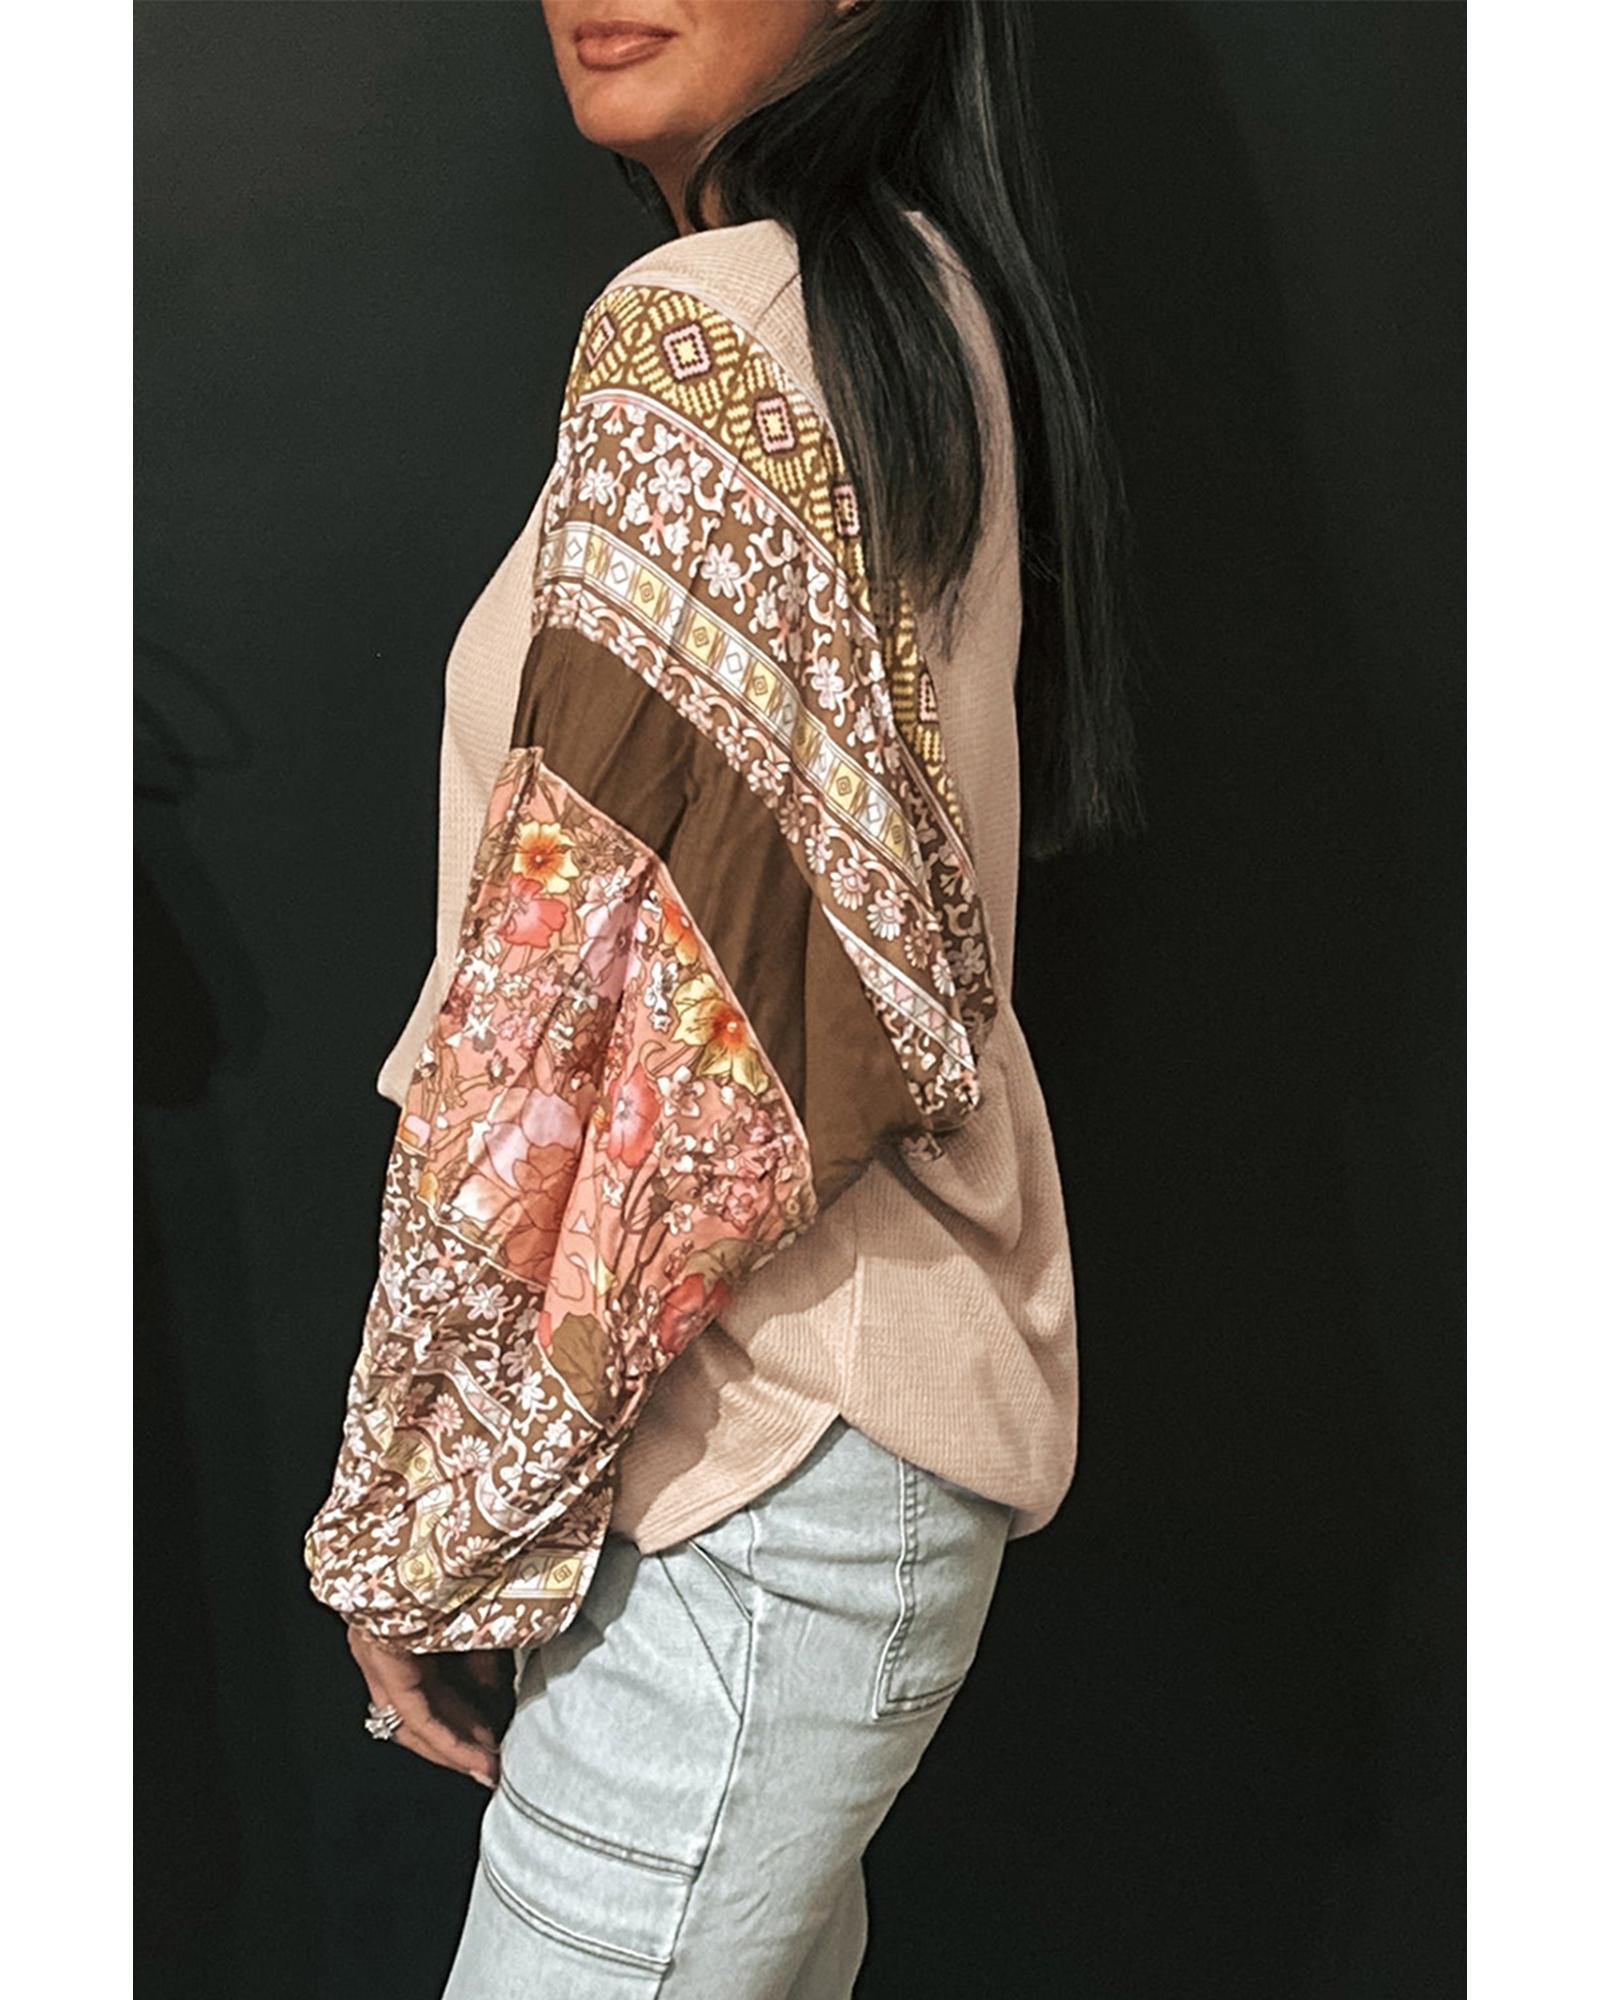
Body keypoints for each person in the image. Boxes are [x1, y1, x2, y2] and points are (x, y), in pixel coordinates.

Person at [304, 1, 1144, 1991]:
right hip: (824, 1436)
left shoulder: (708, 329)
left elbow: (575, 1036)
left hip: (753, 1459)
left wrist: (427, 1498)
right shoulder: (909, 308)